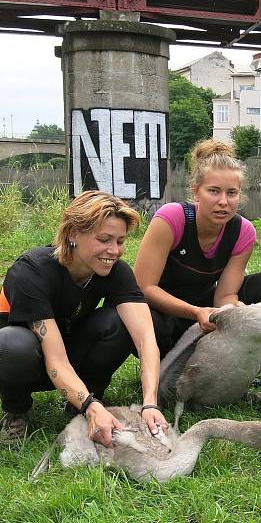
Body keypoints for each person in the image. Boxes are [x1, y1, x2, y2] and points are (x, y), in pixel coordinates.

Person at [0, 191, 169, 446]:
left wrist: (150, 403)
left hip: (67, 351)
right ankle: (18, 409)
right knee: (14, 344)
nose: (114, 251)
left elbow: (146, 340)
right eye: (104, 239)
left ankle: (82, 401)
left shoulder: (115, 271)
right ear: (72, 235)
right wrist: (92, 406)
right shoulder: (31, 271)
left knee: (119, 322)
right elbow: (54, 357)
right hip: (27, 361)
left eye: (120, 241)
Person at [134, 139, 261, 357]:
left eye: (231, 193)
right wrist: (195, 312)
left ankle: (228, 359)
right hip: (163, 312)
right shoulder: (171, 218)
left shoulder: (243, 232)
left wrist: (235, 310)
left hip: (205, 308)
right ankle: (161, 362)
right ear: (196, 192)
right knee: (141, 315)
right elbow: (144, 287)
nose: (223, 201)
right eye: (214, 191)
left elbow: (225, 295)